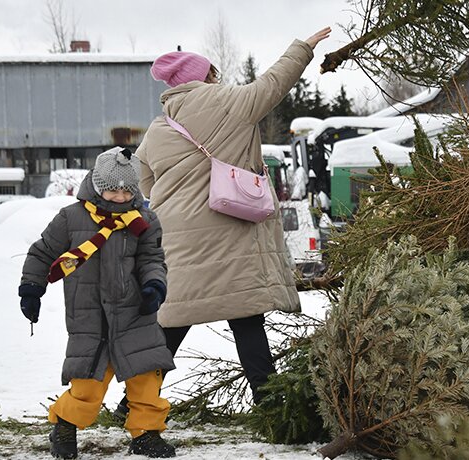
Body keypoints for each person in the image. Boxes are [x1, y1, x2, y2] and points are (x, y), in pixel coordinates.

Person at [116, 27, 331, 416]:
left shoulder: (159, 129)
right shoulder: (230, 102)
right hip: (230, 234)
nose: (216, 77)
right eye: (212, 72)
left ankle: (130, 405)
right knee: (247, 320)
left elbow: (145, 183)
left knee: (171, 325)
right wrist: (303, 48)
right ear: (204, 76)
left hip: (177, 242)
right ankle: (270, 408)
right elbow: (274, 83)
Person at [18, 147, 177, 459]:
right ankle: (65, 426)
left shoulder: (144, 220)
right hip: (89, 317)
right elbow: (42, 252)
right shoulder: (71, 218)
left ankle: (146, 434)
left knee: (146, 377)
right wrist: (31, 289)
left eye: (126, 191)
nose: (119, 197)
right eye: (112, 190)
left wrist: (154, 286)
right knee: (88, 384)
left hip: (135, 314)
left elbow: (151, 259)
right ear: (97, 185)